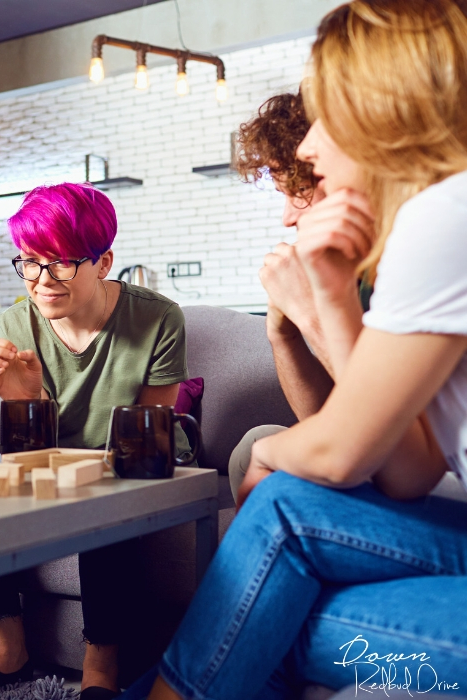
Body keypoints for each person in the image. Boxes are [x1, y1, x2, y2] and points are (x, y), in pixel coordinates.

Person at [122, 1, 467, 697]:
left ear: (383, 108)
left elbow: (343, 449)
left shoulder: (446, 213)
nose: (308, 149)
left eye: (325, 114)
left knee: (262, 610)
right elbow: (407, 470)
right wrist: (332, 298)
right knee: (255, 605)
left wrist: (276, 454)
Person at [0, 182, 193, 700]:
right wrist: (29, 400)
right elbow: (31, 457)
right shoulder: (19, 321)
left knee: (102, 503)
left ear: (103, 261)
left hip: (137, 462)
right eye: (30, 263)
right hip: (58, 462)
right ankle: (7, 647)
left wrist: (86, 463)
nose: (42, 281)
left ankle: (100, 667)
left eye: (60, 264)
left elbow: (148, 432)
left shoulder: (157, 319)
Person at [226, 90, 375, 504]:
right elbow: (329, 419)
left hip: (428, 464)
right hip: (383, 449)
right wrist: (284, 335)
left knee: (265, 452)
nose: (287, 216)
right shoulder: (354, 272)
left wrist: (313, 314)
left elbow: (384, 426)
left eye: (299, 191)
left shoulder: (399, 265)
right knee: (257, 442)